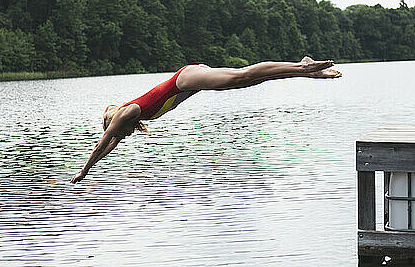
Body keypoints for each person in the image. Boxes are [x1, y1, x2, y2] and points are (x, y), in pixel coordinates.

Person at [71, 56, 341, 183]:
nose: (125, 136)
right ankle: (306, 72)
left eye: (120, 132)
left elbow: (101, 145)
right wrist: (92, 170)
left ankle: (303, 67)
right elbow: (109, 148)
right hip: (191, 84)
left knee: (241, 75)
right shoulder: (131, 118)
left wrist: (84, 170)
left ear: (113, 122)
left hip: (185, 79)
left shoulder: (126, 113)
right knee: (244, 82)